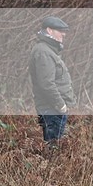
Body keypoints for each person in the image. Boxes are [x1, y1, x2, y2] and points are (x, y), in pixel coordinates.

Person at [29, 16, 76, 150]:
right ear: (49, 30)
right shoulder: (43, 52)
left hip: (54, 109)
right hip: (51, 109)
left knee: (56, 147)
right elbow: (46, 84)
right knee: (53, 149)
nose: (63, 34)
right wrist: (61, 105)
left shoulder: (48, 51)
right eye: (60, 31)